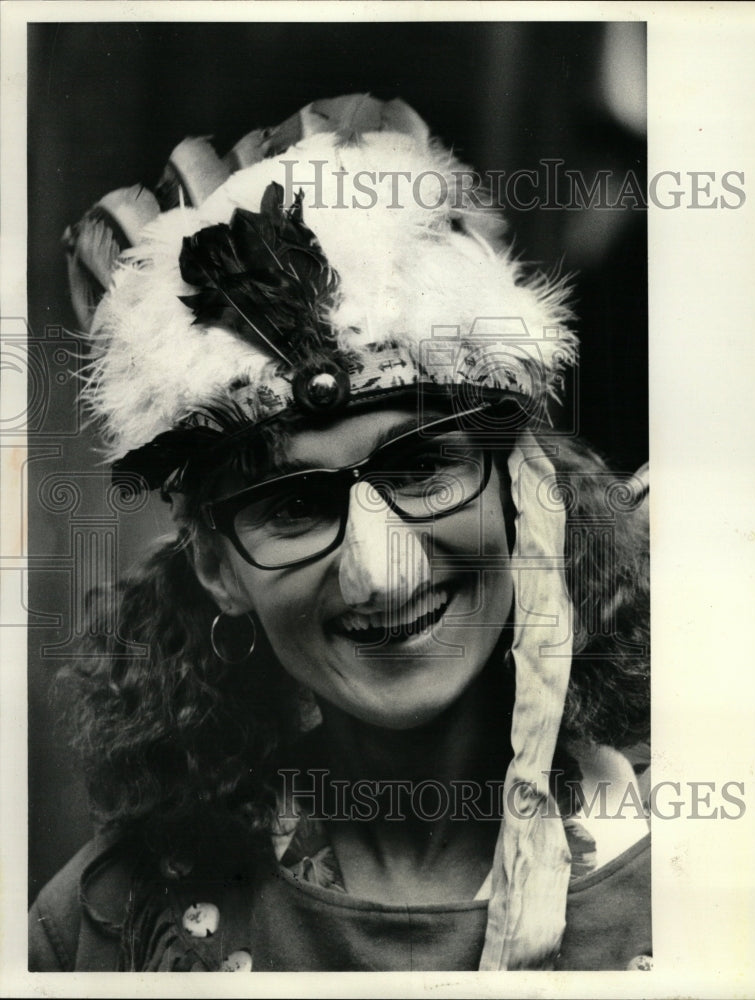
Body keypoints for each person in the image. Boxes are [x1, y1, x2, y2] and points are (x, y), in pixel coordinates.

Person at [29, 94, 651, 972]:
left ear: (525, 487)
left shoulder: (720, 879)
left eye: (419, 468)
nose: (380, 574)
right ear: (214, 566)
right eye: (293, 505)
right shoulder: (102, 930)